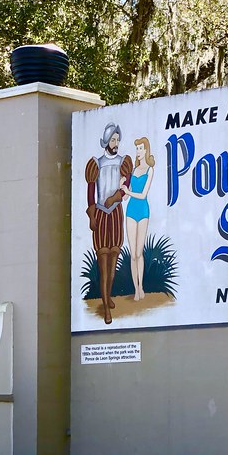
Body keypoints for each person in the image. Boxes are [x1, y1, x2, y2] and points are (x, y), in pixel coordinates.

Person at [85, 123, 133, 324]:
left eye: (117, 140)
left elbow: (126, 185)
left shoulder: (123, 162)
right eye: (113, 140)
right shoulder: (96, 163)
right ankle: (106, 307)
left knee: (113, 264)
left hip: (115, 214)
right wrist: (92, 215)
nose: (116, 143)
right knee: (103, 264)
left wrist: (115, 197)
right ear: (106, 141)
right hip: (101, 215)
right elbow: (90, 192)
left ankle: (108, 296)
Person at [122, 137, 155, 301]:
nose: (138, 151)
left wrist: (128, 192)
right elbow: (125, 198)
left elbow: (143, 195)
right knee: (132, 254)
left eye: (141, 148)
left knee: (138, 252)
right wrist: (123, 187)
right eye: (137, 148)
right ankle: (136, 288)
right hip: (131, 211)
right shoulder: (133, 170)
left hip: (142, 211)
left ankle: (141, 286)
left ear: (146, 150)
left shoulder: (150, 170)